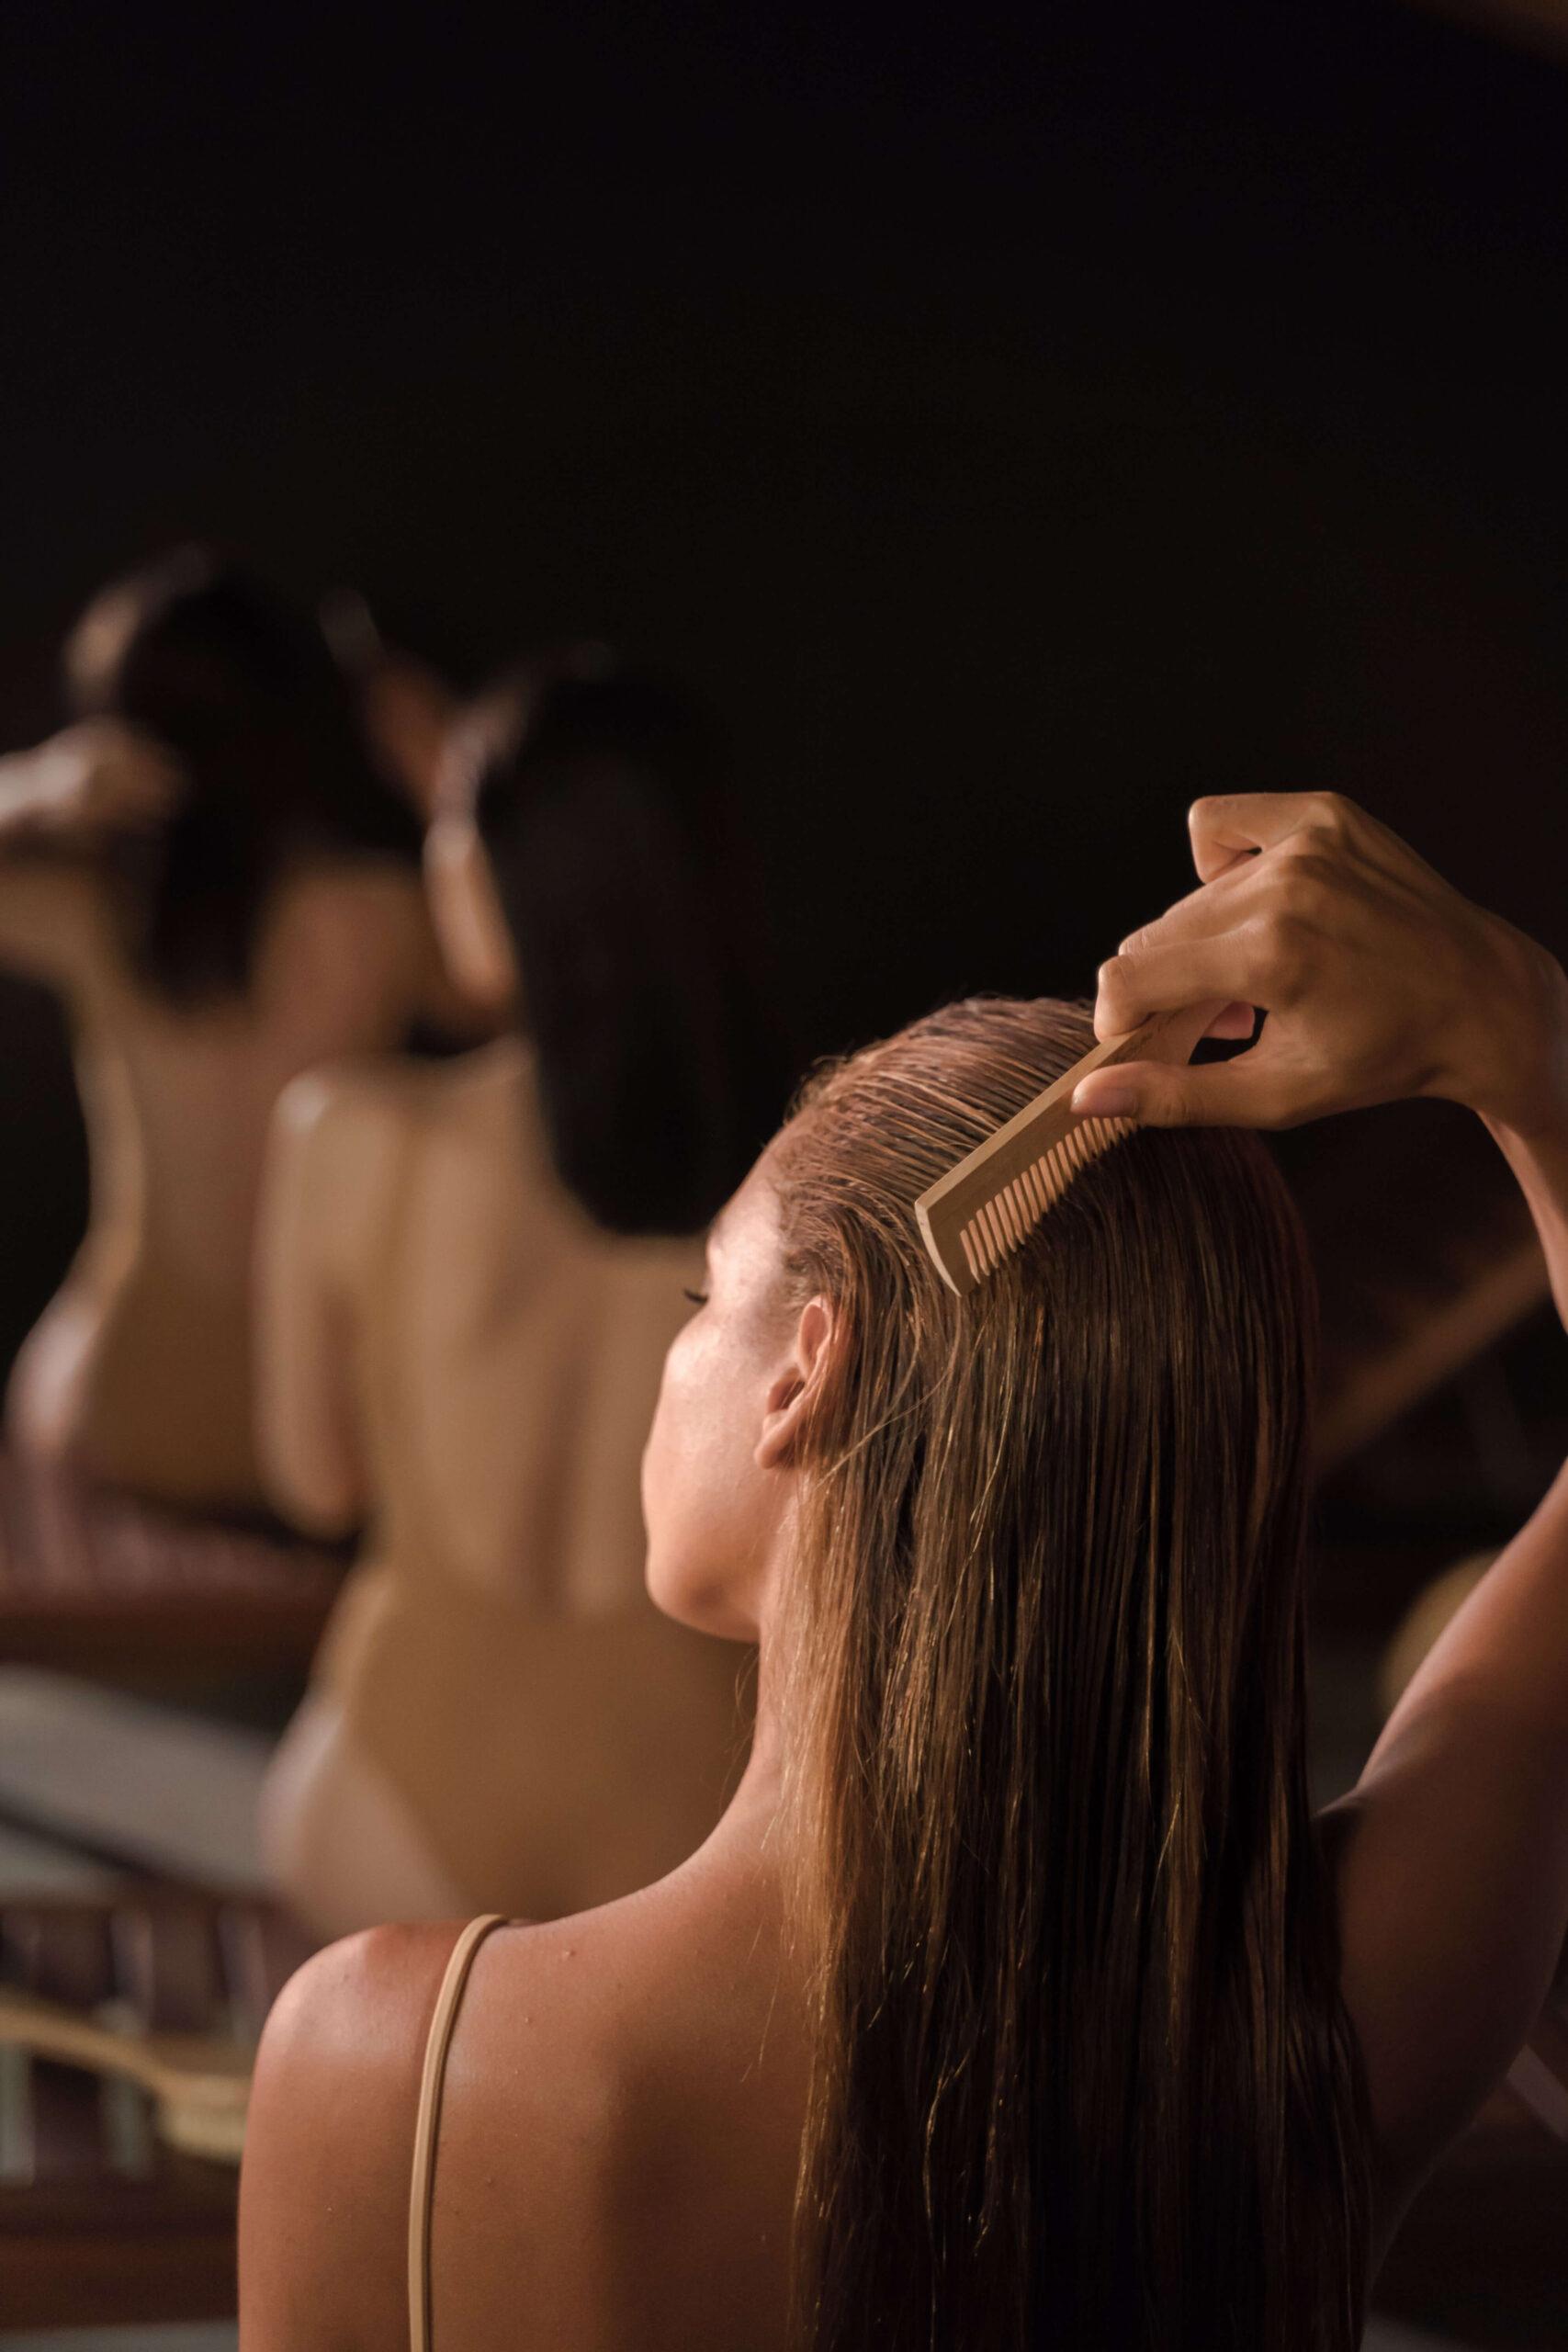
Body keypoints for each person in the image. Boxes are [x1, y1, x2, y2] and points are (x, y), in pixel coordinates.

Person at [240, 793, 1568, 2351]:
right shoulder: (1346, 2016)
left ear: (809, 1370)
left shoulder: (388, 2070)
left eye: (700, 1294)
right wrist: (1515, 1025)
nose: (670, 1353)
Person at [254, 659, 781, 1931]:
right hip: (685, 1849)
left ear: (497, 875)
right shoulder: (820, 1176)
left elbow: (313, 1483)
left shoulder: (345, 1134)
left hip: (391, 1806)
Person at [0, 549, 459, 1514]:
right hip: (321, 1428)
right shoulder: (384, 916)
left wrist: (34, 789)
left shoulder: (92, 918)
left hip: (120, 1404)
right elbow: (535, 973)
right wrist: (446, 775)